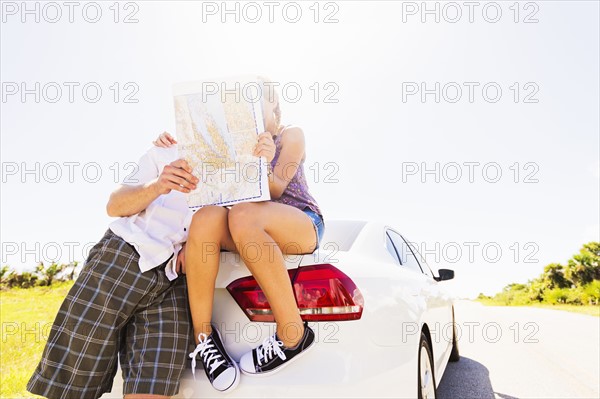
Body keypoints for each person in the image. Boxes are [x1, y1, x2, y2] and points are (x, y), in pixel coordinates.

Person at [154, 82, 325, 392]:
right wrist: (170, 147)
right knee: (206, 218)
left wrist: (265, 157)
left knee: (243, 214)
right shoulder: (233, 141)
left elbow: (275, 189)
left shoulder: (290, 135)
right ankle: (204, 339)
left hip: (301, 222)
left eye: (259, 109)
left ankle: (293, 334)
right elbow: (212, 190)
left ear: (275, 111)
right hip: (245, 224)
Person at [27, 143, 200, 399]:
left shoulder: (243, 167)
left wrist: (197, 240)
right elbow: (114, 205)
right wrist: (158, 185)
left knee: (153, 385)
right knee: (73, 378)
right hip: (123, 257)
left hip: (175, 279)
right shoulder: (164, 152)